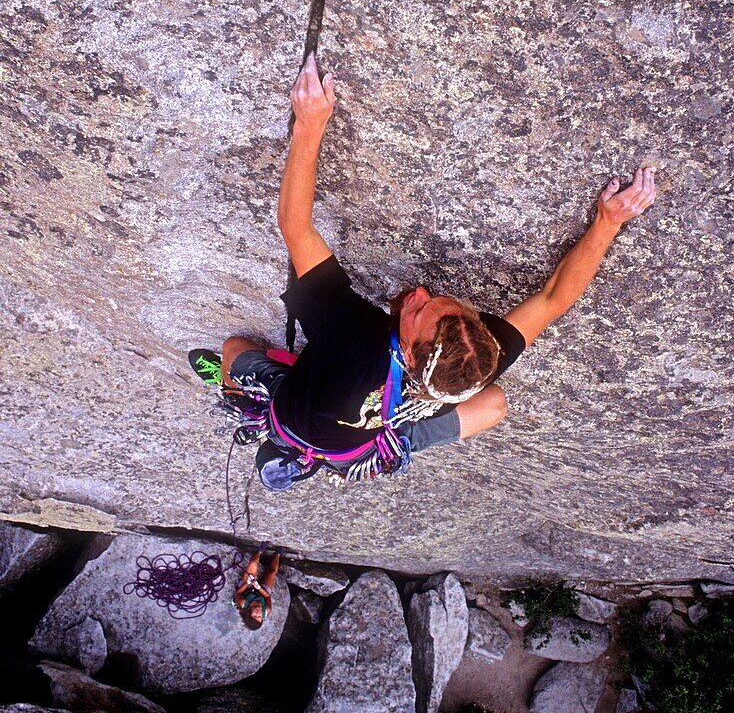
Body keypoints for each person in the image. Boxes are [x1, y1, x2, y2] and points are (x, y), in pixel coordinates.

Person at [204, 53, 656, 483]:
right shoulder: (476, 362)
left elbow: (296, 227)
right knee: (493, 405)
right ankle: (373, 451)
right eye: (439, 302)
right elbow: (553, 298)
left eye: (417, 310)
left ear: (413, 354)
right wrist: (606, 223)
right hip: (367, 441)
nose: (419, 292)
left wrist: (309, 124)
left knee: (233, 349)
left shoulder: (354, 341)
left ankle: (253, 412)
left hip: (298, 418)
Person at [234, 547, 281, 629]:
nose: (258, 613)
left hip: (246, 590)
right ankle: (278, 554)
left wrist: (248, 582)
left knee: (253, 564)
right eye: (259, 616)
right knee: (272, 572)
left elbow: (238, 593)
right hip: (261, 593)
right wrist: (258, 587)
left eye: (255, 615)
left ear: (249, 614)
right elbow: (267, 596)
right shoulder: (267, 610)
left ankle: (260, 550)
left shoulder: (242, 603)